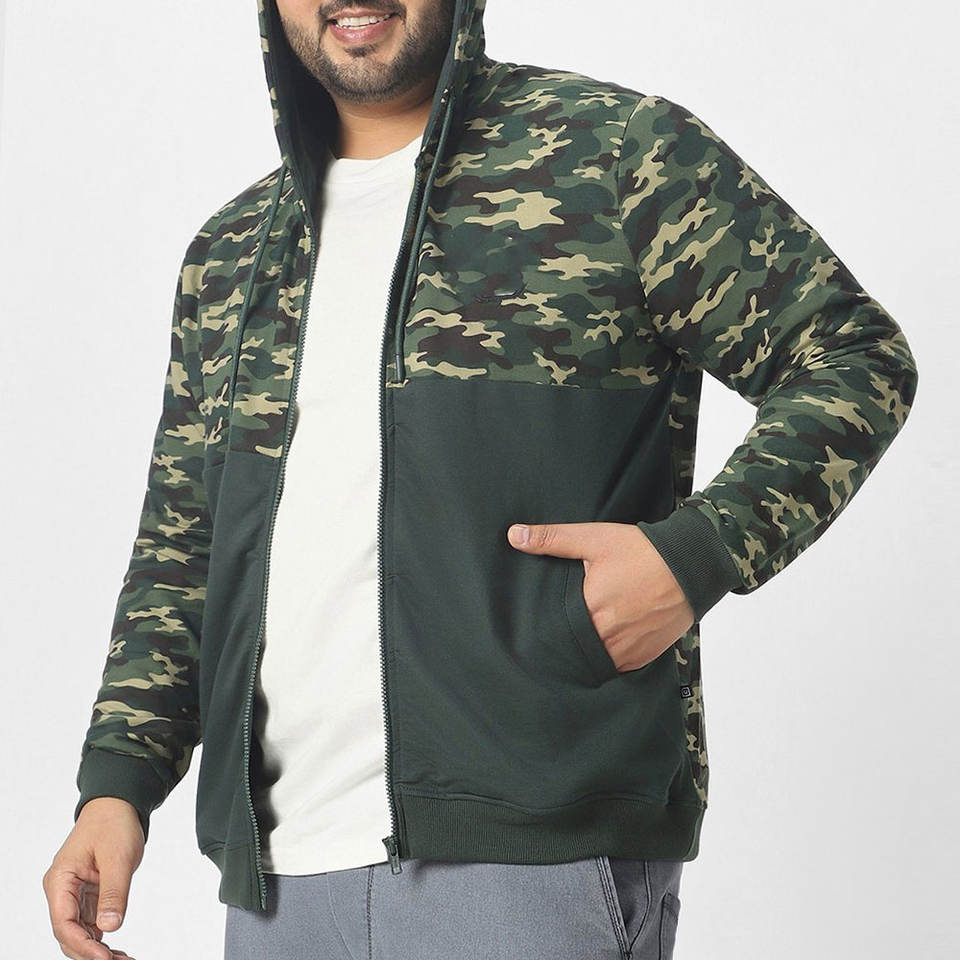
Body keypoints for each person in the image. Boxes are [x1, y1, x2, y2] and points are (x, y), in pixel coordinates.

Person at [42, 0, 920, 957]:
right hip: (279, 885)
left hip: (535, 859)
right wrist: (117, 786)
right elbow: (183, 547)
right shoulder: (234, 253)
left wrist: (697, 555)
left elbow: (851, 356)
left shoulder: (613, 155)